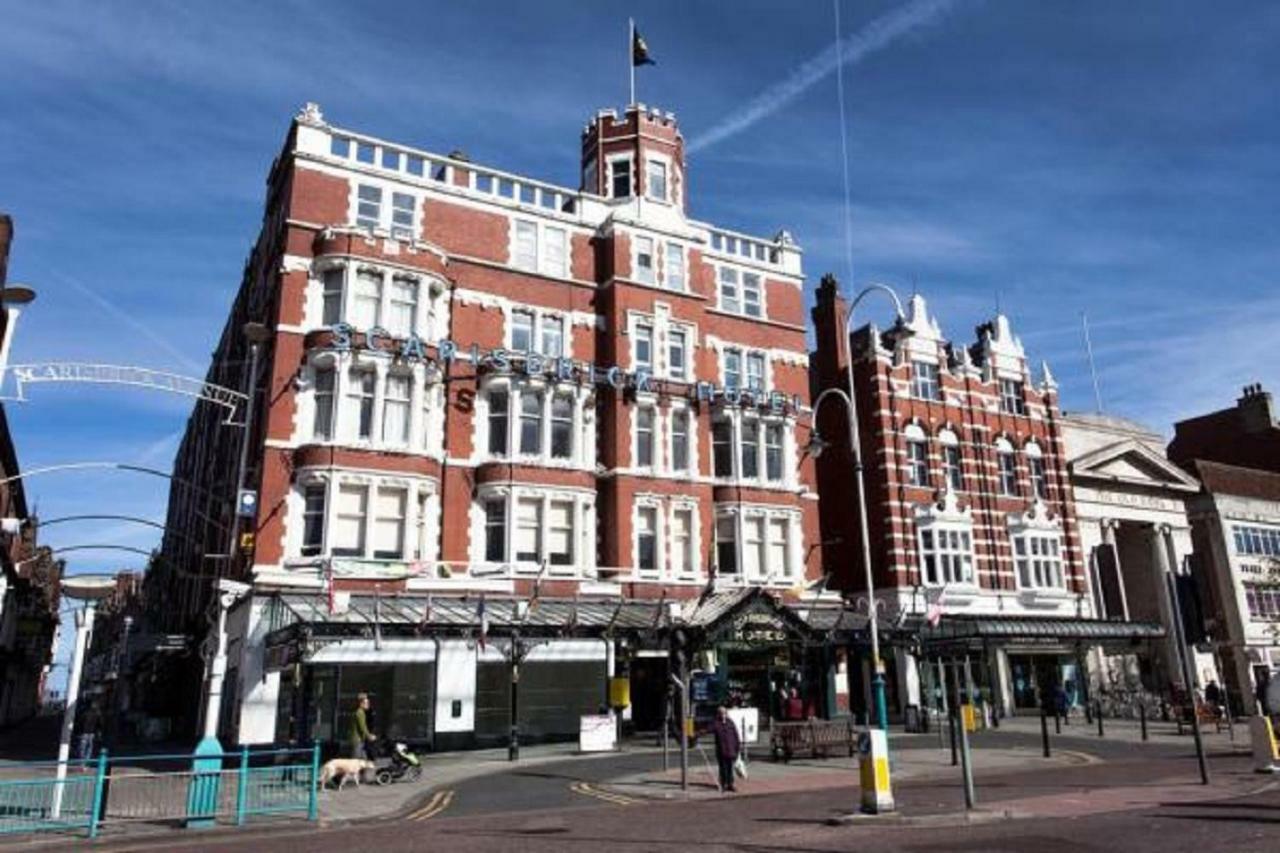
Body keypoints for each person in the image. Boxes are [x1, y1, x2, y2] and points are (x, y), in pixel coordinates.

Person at [710, 706, 741, 793]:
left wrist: (737, 747)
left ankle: (730, 784)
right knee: (723, 768)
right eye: (721, 713)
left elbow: (736, 735)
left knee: (730, 768)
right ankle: (723, 784)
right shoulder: (716, 723)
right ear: (718, 714)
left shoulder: (730, 722)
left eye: (724, 713)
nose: (723, 715)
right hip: (721, 750)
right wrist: (697, 733)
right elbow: (709, 729)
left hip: (731, 749)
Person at [346, 693, 376, 759]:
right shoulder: (360, 713)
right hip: (357, 740)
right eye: (366, 703)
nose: (368, 704)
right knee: (355, 761)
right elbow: (362, 727)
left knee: (363, 760)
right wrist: (369, 736)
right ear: (361, 703)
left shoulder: (358, 711)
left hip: (358, 740)